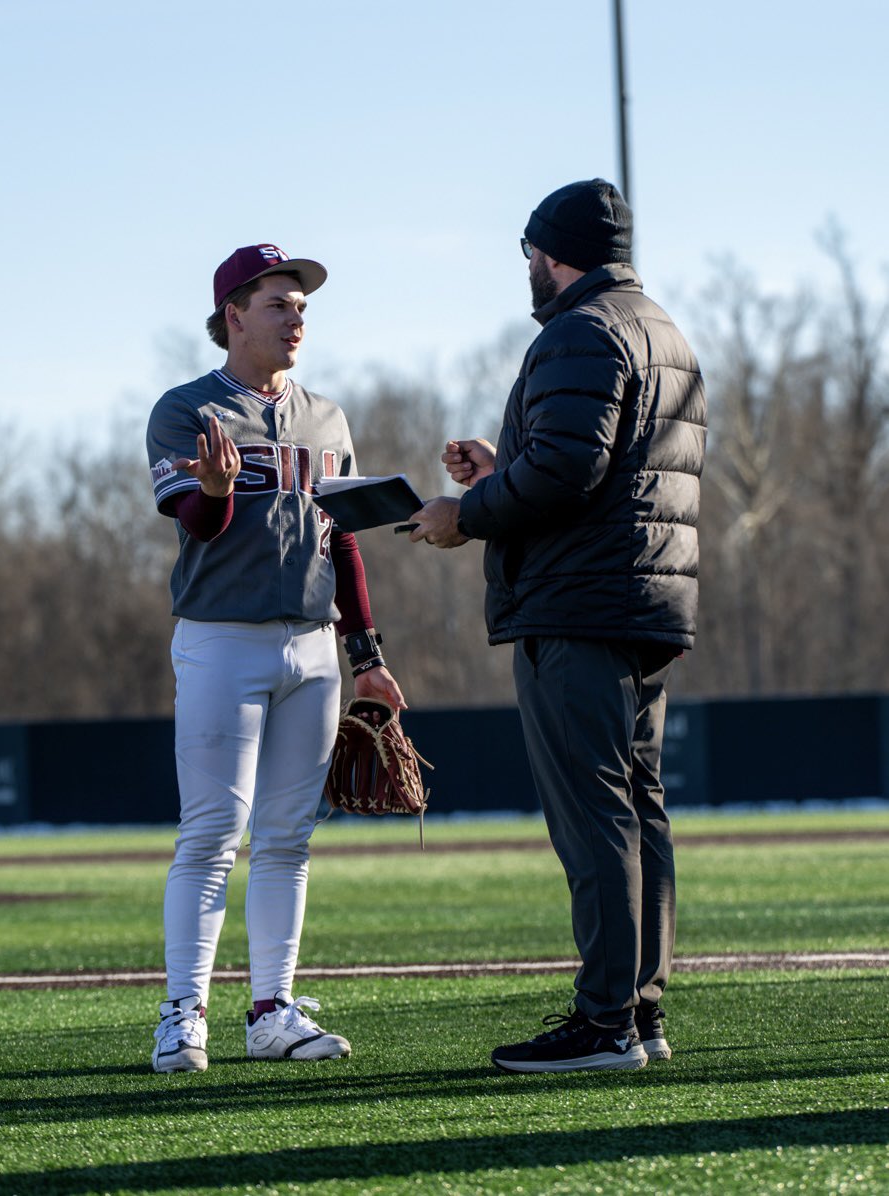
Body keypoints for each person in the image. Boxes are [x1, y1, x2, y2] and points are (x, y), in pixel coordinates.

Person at [408, 180, 706, 1073]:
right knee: (636, 809)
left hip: (579, 604)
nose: (528, 271)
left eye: (531, 254)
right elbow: (602, 468)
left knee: (594, 818)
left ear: (553, 253)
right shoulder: (662, 329)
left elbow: (571, 473)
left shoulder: (581, 328)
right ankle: (638, 1015)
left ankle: (604, 1023)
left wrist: (468, 510)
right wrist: (508, 467)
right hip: (643, 601)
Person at [146, 243, 405, 1073]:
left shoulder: (327, 417)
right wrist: (215, 494)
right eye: (278, 305)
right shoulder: (186, 407)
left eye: (302, 307)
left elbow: (346, 542)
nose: (296, 319)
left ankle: (271, 1011)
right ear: (233, 316)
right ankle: (183, 1012)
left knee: (288, 836)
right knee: (213, 833)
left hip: (314, 644)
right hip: (221, 636)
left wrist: (367, 652)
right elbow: (194, 523)